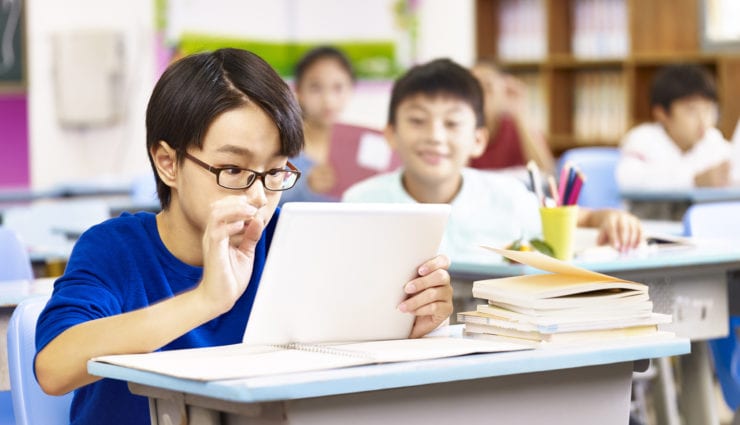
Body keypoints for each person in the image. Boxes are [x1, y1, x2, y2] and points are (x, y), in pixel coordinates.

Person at [34, 48, 453, 425]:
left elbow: (343, 365)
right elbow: (54, 369)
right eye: (232, 171)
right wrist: (205, 301)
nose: (258, 195)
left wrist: (414, 325)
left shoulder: (292, 242)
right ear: (168, 163)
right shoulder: (115, 248)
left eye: (275, 172)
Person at [342, 58, 643, 262]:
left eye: (452, 123)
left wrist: (612, 218)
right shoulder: (359, 204)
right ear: (391, 134)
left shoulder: (508, 197)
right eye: (418, 120)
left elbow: (583, 219)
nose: (435, 136)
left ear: (478, 140)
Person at [280, 46, 399, 204]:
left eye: (338, 87)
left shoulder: (368, 145)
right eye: (315, 87)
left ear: (351, 89)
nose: (328, 99)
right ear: (298, 91)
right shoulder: (282, 145)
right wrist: (305, 185)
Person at [616, 63, 732, 191]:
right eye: (691, 110)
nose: (703, 120)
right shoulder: (643, 139)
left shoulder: (711, 139)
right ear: (662, 114)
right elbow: (629, 181)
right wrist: (694, 180)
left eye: (708, 109)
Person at [468, 60, 555, 174]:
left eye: (488, 87)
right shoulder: (464, 129)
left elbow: (547, 171)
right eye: (474, 87)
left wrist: (520, 113)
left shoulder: (517, 126)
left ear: (504, 91)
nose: (480, 95)